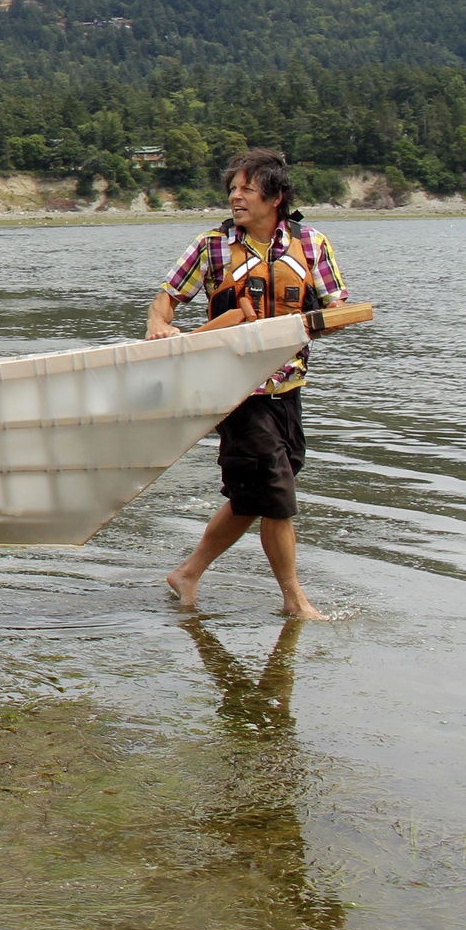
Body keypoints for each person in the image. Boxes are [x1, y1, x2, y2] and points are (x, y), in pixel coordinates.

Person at [147, 147, 349, 619]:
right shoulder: (211, 246)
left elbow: (337, 306)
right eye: (232, 189)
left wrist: (328, 319)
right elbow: (165, 298)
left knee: (254, 492)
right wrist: (159, 324)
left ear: (275, 196)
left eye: (246, 189)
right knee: (276, 496)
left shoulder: (312, 245)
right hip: (234, 390)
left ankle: (188, 572)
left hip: (287, 386)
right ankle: (295, 601)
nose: (235, 197)